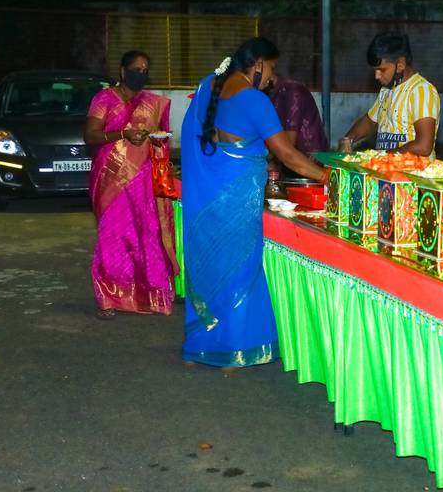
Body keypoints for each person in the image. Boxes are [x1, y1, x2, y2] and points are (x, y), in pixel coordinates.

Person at [180, 37, 328, 369]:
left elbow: (207, 139)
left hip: (207, 198)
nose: (274, 78)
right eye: (272, 68)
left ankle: (200, 346)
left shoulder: (208, 86)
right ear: (258, 63)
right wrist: (328, 179)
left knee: (211, 267)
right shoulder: (253, 100)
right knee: (239, 269)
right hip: (237, 201)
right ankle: (233, 350)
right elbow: (288, 154)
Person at [84, 50, 179, 319]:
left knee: (147, 234)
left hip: (144, 180)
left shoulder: (153, 102)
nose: (141, 73)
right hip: (111, 179)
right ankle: (110, 297)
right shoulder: (104, 99)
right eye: (136, 69)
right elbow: (90, 136)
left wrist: (162, 153)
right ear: (123, 71)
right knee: (113, 237)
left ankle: (151, 296)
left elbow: (162, 138)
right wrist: (122, 134)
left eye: (146, 69)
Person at [338, 31, 440, 158]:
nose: (376, 76)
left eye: (381, 70)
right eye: (375, 71)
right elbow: (369, 121)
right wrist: (348, 139)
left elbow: (423, 146)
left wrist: (383, 157)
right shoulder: (386, 90)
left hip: (413, 174)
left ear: (400, 65)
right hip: (386, 172)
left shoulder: (421, 90)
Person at [264, 59, 328, 173]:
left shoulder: (292, 92)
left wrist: (263, 158)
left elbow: (288, 145)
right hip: (290, 162)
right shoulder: (266, 94)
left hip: (309, 165)